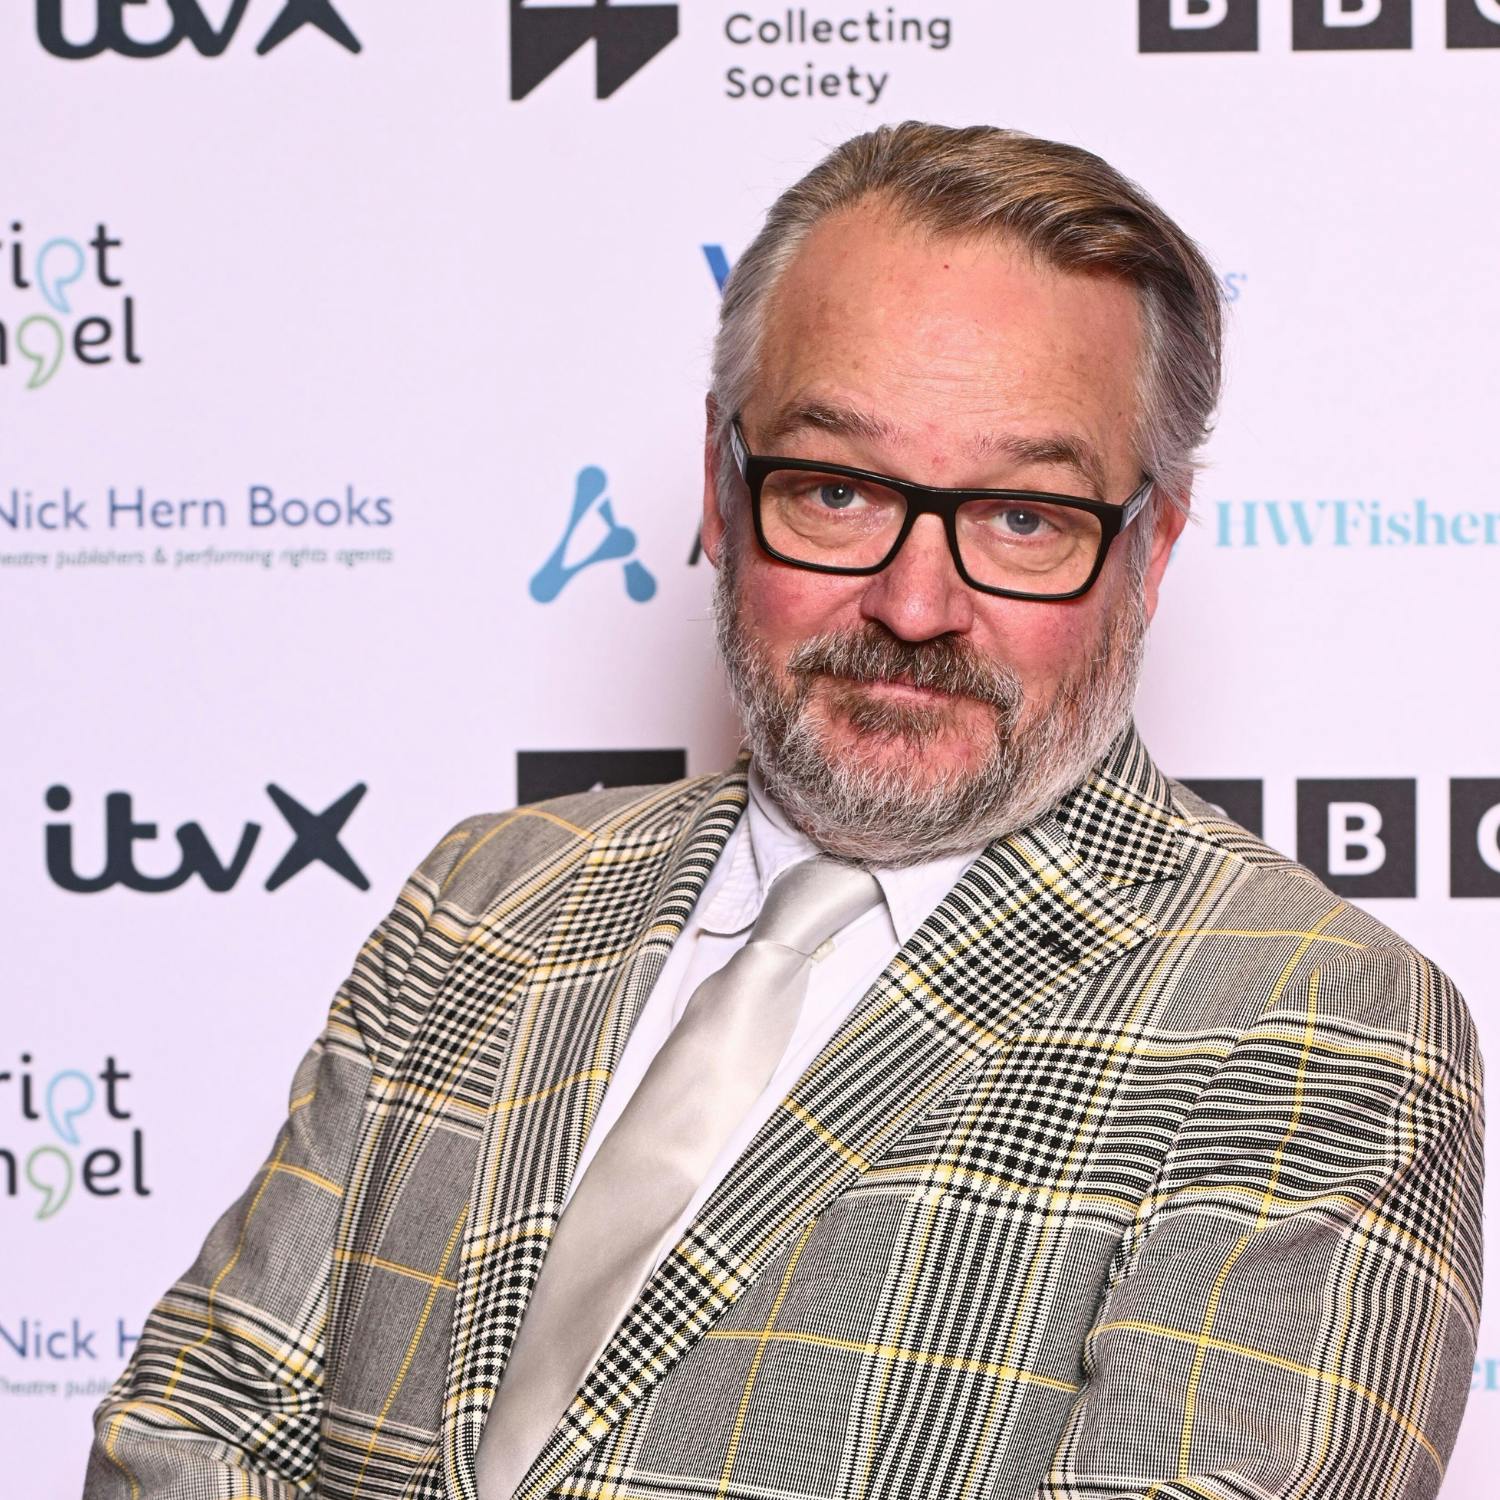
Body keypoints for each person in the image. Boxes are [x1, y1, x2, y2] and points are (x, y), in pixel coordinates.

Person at [86, 123, 1482, 1500]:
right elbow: (186, 1434)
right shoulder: (491, 894)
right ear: (722, 485)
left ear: (1150, 549)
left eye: (1023, 518)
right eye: (836, 489)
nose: (915, 605)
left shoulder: (1317, 1023)